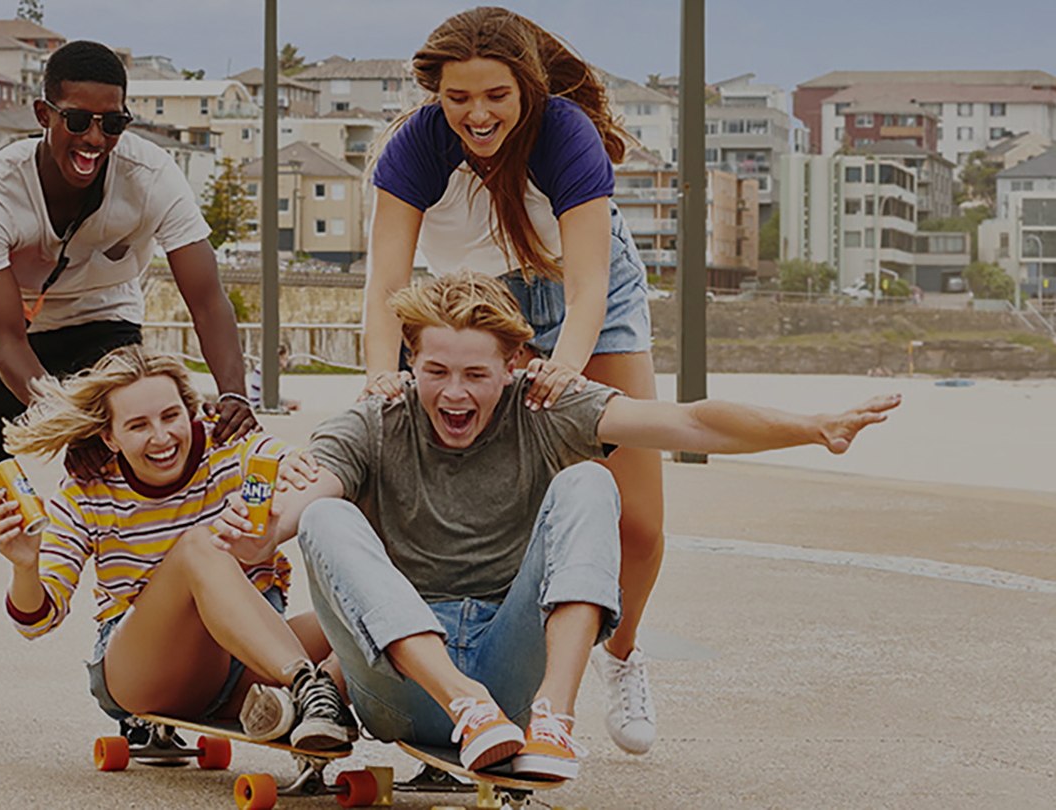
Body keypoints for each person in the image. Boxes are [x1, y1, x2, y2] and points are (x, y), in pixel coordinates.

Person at [213, 272, 899, 780]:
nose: (454, 393)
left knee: (591, 479)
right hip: (401, 687)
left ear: (514, 367)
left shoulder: (546, 410)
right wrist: (263, 534)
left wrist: (813, 427)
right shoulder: (374, 421)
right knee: (329, 515)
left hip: (511, 672)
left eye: (476, 374)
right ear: (409, 365)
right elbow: (311, 493)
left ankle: (553, 720)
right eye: (435, 372)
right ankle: (465, 703)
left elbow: (689, 421)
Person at [0, 41, 256, 725]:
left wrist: (236, 390)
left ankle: (144, 680)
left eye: (111, 124)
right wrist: (78, 424)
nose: (94, 139)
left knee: (146, 488)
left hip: (102, 327)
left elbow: (208, 301)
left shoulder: (153, 177)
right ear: (42, 114)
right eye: (77, 120)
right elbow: (6, 341)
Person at [361, 7, 667, 754]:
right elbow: (384, 286)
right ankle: (415, 677)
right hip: (475, 303)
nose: (477, 113)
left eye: (495, 95)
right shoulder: (416, 146)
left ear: (525, 88)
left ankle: (621, 656)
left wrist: (565, 361)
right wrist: (377, 377)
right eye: (458, 97)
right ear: (435, 93)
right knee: (416, 496)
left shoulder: (564, 133)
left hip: (586, 296)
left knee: (638, 518)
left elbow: (590, 284)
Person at [0, 346, 356, 748]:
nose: (161, 437)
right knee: (201, 545)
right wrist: (24, 567)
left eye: (170, 416)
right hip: (145, 672)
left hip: (240, 667)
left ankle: (295, 705)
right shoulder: (86, 492)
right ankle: (310, 689)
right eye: (138, 426)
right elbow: (36, 621)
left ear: (191, 411)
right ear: (109, 437)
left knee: (365, 612)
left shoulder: (228, 448)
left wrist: (293, 470)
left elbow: (301, 465)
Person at [248, 343, 301, 412]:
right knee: (293, 405)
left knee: (293, 404)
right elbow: (268, 395)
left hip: (258, 401)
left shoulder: (263, 367)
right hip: (258, 403)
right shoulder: (267, 370)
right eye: (284, 359)